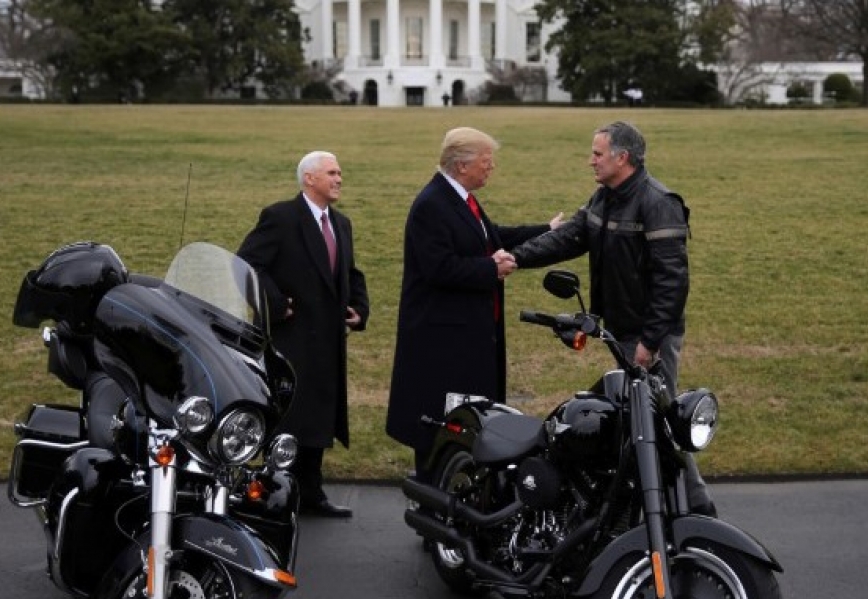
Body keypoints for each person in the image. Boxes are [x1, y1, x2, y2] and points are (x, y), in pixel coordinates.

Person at [510, 120, 715, 515]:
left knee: (661, 421)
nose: (591, 161)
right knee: (632, 415)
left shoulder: (658, 203)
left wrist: (649, 343)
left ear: (623, 158)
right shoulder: (605, 197)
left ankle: (697, 508)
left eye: (598, 154)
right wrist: (517, 256)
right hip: (621, 332)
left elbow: (672, 282)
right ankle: (631, 502)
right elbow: (570, 236)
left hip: (649, 338)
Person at [386, 127, 561, 483]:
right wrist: (490, 268)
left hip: (466, 338)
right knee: (439, 429)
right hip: (443, 342)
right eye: (486, 161)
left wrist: (547, 230)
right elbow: (437, 267)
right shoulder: (431, 205)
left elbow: (491, 235)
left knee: (466, 425)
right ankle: (432, 508)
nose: (491, 167)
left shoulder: (459, 198)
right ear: (462, 165)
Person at [237, 151, 370, 518]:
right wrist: (276, 305)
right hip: (290, 340)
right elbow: (246, 265)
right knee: (291, 417)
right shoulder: (281, 217)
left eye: (340, 172)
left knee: (319, 416)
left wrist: (360, 309)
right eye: (331, 172)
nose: (339, 178)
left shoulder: (341, 223)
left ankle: (311, 492)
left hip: (328, 340)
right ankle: (272, 494)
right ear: (309, 178)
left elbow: (350, 273)